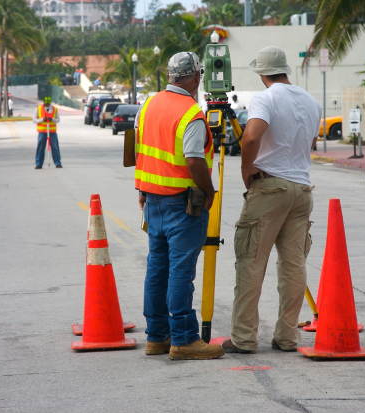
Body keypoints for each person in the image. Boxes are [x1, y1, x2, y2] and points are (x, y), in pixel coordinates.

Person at [222, 46, 321, 354]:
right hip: (301, 191)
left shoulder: (266, 97)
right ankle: (288, 336)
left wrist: (246, 169)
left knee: (251, 263)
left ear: (262, 74)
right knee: (294, 266)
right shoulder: (310, 101)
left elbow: (251, 137)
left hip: (270, 188)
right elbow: (310, 141)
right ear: (285, 70)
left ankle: (244, 338)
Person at [134, 52, 225, 361]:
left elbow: (138, 148)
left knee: (157, 269)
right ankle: (184, 339)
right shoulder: (191, 113)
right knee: (180, 272)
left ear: (170, 76)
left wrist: (141, 188)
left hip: (152, 200)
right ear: (197, 77)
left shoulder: (148, 105)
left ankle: (157, 337)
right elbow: (193, 159)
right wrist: (209, 191)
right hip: (182, 204)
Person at [33, 96, 62, 169]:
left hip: (52, 131)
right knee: (40, 147)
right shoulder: (38, 109)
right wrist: (42, 119)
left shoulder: (54, 109)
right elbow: (34, 119)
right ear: (43, 101)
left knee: (55, 147)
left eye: (48, 103)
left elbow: (58, 119)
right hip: (42, 131)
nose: (47, 104)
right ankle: (39, 164)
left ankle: (57, 163)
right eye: (46, 103)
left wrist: (52, 119)